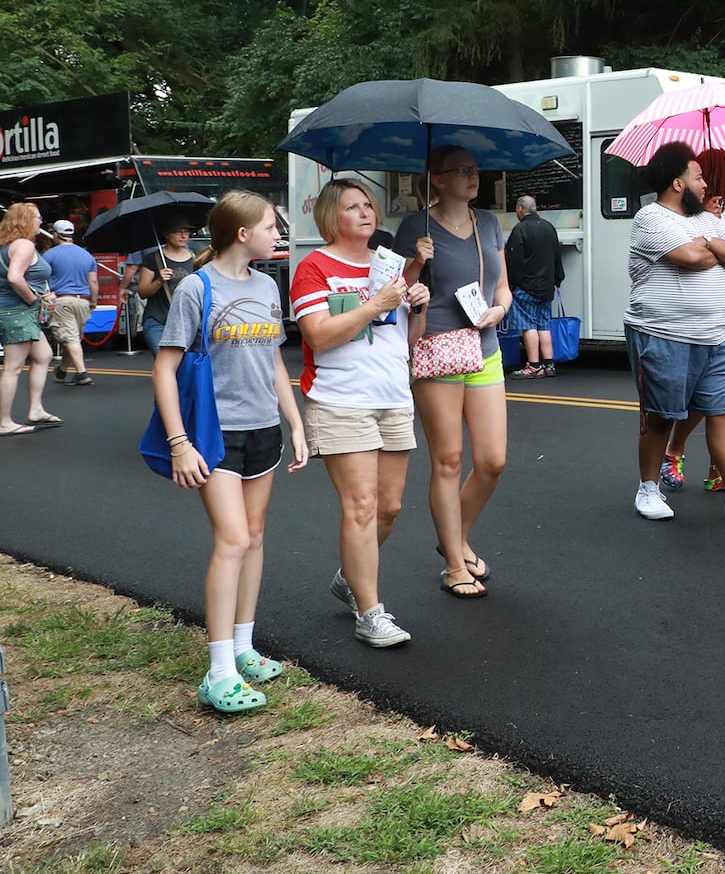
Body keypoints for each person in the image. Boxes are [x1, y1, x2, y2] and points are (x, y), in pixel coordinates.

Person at [152, 191, 307, 713]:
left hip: (265, 429)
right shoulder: (196, 288)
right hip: (215, 434)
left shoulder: (267, 286)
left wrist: (295, 422)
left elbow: (273, 363)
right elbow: (165, 368)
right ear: (243, 233)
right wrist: (179, 443)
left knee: (256, 536)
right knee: (234, 539)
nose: (277, 235)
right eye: (271, 226)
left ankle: (243, 647)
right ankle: (218, 671)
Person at [293, 179, 431, 648]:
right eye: (353, 207)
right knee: (362, 505)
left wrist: (418, 306)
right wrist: (376, 304)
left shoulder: (389, 265)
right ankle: (370, 612)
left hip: (392, 395)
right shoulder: (314, 267)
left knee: (389, 508)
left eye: (368, 205)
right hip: (339, 399)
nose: (366, 212)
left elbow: (407, 340)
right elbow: (318, 336)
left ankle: (349, 575)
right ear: (332, 217)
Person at [394, 144, 511, 599]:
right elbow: (397, 293)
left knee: (493, 460)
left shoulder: (489, 223)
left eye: (475, 168)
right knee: (448, 459)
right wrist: (417, 260)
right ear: (436, 180)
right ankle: (453, 564)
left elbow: (502, 287)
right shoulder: (414, 227)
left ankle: (454, 538)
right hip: (437, 348)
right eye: (460, 170)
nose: (471, 175)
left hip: (485, 346)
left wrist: (499, 310)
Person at [627, 142, 725, 521]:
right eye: (698, 176)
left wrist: (710, 243)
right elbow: (692, 258)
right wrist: (714, 249)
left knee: (720, 412)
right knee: (661, 416)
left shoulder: (705, 221)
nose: (705, 184)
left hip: (716, 335)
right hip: (663, 334)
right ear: (677, 183)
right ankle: (648, 489)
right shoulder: (650, 218)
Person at [661, 147, 725, 493]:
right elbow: (694, 254)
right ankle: (674, 449)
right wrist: (711, 226)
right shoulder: (689, 215)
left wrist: (720, 240)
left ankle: (719, 471)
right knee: (706, 394)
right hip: (711, 305)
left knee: (724, 395)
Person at [0, 202, 60, 436]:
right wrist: (31, 299)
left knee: (43, 355)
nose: (40, 221)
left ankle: (35, 409)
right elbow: (15, 277)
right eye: (37, 217)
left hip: (12, 311)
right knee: (13, 368)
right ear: (25, 220)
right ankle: (4, 422)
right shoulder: (24, 245)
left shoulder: (6, 246)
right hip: (19, 312)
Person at [505, 194, 565, 380]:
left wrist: (512, 285)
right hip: (547, 287)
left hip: (526, 287)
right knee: (544, 325)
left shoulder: (520, 229)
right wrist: (557, 280)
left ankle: (534, 365)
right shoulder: (549, 228)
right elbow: (557, 257)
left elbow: (513, 262)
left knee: (528, 326)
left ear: (520, 209)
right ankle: (549, 364)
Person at [43, 219, 99, 386]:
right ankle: (62, 370)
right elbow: (93, 281)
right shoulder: (87, 255)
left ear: (55, 234)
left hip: (62, 301)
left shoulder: (50, 255)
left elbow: (41, 277)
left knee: (70, 338)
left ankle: (82, 373)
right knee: (73, 337)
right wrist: (93, 301)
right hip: (83, 301)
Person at [136, 214, 200, 354]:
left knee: (186, 366)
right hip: (158, 321)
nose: (184, 236)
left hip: (186, 322)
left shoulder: (195, 258)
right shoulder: (154, 259)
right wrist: (159, 281)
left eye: (187, 232)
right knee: (164, 364)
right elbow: (142, 292)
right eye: (178, 232)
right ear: (166, 234)